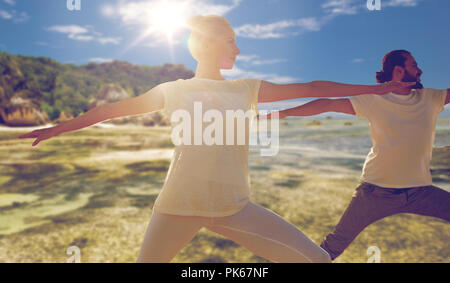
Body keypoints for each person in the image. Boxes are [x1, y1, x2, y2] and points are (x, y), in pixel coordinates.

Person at [18, 16, 413, 263]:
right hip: (175, 207)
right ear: (206, 43)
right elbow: (110, 111)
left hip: (234, 207)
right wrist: (57, 128)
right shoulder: (173, 90)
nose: (237, 48)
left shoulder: (246, 88)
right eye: (230, 40)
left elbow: (309, 86)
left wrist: (372, 90)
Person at [263, 50, 450, 261]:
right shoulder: (374, 100)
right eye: (414, 65)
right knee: (330, 249)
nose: (420, 70)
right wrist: (285, 112)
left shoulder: (431, 98)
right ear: (399, 70)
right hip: (376, 192)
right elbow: (328, 103)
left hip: (419, 190)